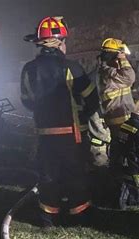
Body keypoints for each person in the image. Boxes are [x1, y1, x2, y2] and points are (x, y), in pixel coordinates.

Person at [21, 16, 98, 227]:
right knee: (76, 174)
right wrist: (83, 114)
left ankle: (48, 217)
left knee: (48, 174)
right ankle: (79, 215)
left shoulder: (29, 69)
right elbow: (92, 98)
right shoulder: (71, 68)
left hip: (45, 135)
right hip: (72, 134)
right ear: (58, 42)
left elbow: (27, 101)